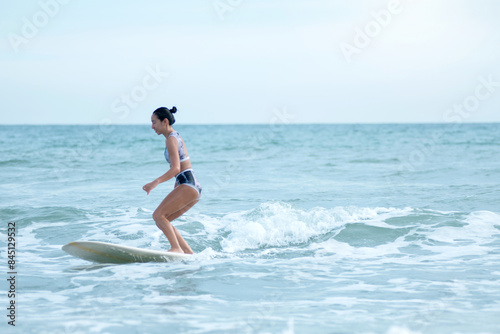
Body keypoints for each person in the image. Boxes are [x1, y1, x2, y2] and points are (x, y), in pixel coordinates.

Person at [143, 106, 201, 254]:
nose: (152, 126)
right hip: (190, 185)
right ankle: (188, 252)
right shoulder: (176, 136)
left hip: (188, 184)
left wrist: (154, 183)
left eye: (154, 122)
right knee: (163, 220)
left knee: (158, 216)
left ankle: (176, 248)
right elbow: (181, 169)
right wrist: (176, 190)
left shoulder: (171, 139)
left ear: (165, 121)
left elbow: (176, 169)